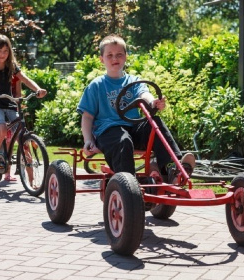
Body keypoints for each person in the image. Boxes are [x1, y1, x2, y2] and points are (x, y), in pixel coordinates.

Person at [77, 34, 195, 182]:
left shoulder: (133, 80)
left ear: (126, 56)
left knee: (155, 122)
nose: (115, 59)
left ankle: (173, 168)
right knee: (123, 139)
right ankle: (128, 182)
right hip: (108, 132)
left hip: (133, 127)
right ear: (102, 59)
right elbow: (87, 116)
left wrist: (153, 102)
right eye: (110, 55)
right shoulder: (96, 85)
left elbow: (144, 94)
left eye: (119, 54)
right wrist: (88, 140)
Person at [0, 34, 47, 190]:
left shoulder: (11, 66)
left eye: (6, 51)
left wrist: (37, 89)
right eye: (0, 51)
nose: (3, 54)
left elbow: (25, 78)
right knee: (1, 130)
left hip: (9, 105)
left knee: (24, 138)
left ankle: (32, 181)